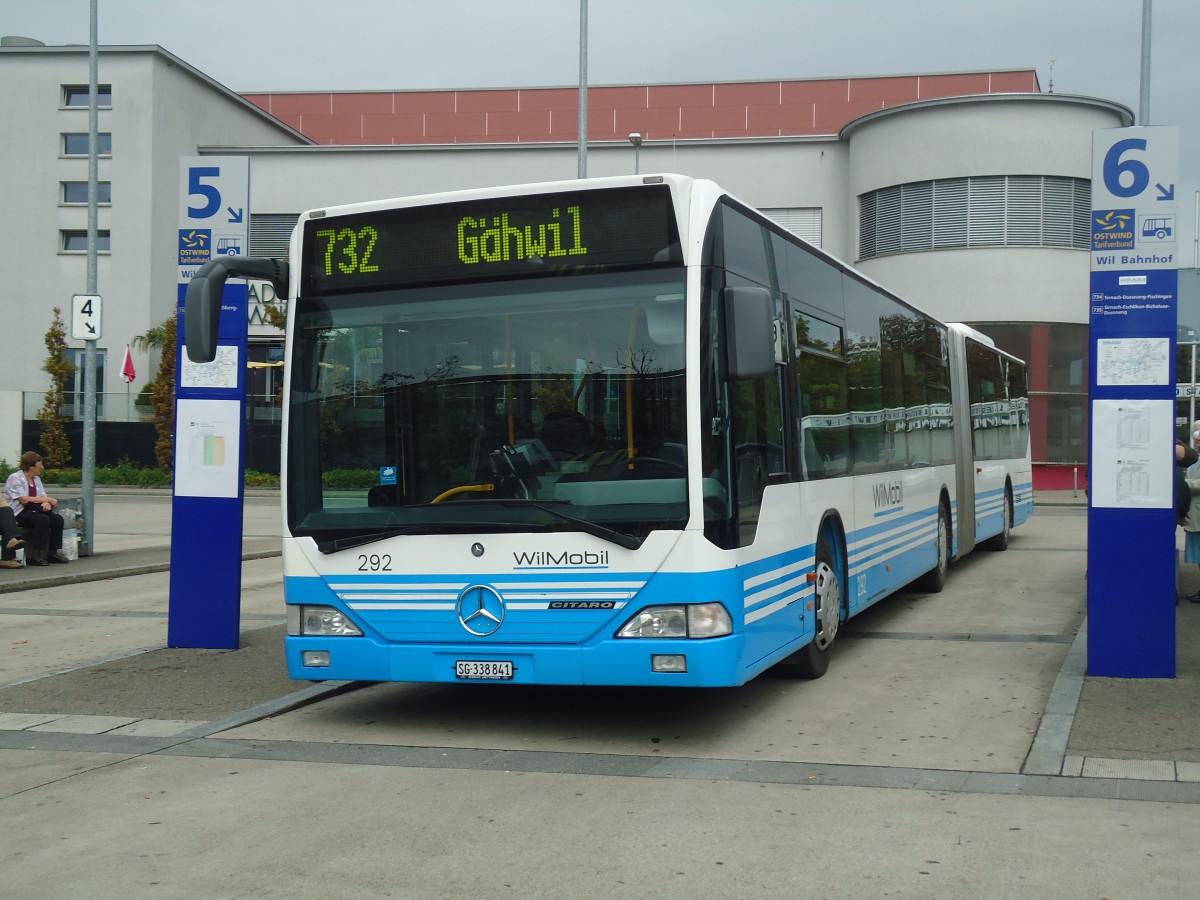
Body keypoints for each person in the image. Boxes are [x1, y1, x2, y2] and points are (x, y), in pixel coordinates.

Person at [3, 451, 68, 566]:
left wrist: (46, 503)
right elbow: (23, 499)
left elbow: (42, 496)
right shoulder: (15, 478)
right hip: (18, 513)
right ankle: (35, 554)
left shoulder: (36, 479)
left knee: (57, 519)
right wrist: (46, 500)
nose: (42, 467)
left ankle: (53, 552)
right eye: (40, 465)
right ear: (31, 466)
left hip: (34, 510)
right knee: (42, 520)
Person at [1183, 423, 1200, 602]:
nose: (1197, 443)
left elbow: (1197, 484)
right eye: (1196, 440)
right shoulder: (1196, 459)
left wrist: (1183, 484)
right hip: (1195, 514)